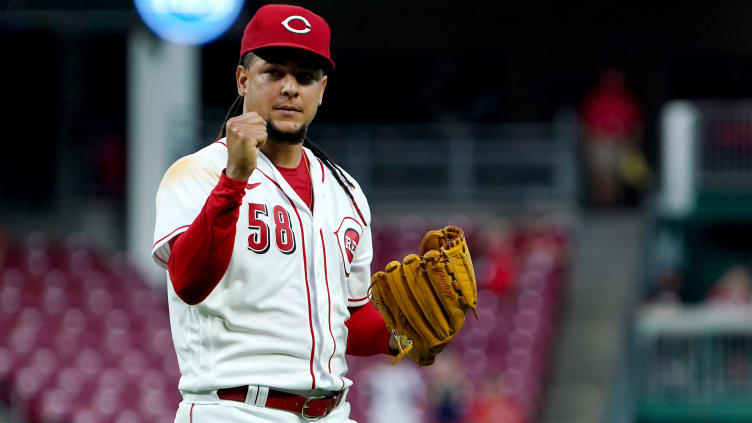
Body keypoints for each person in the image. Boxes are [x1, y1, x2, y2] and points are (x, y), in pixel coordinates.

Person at [151, 5, 398, 422]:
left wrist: (400, 333)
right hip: (232, 409)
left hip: (333, 411)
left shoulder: (347, 192)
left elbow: (348, 318)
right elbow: (190, 283)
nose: (290, 88)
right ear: (243, 79)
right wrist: (233, 180)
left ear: (322, 89)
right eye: (274, 72)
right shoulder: (197, 172)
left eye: (304, 77)